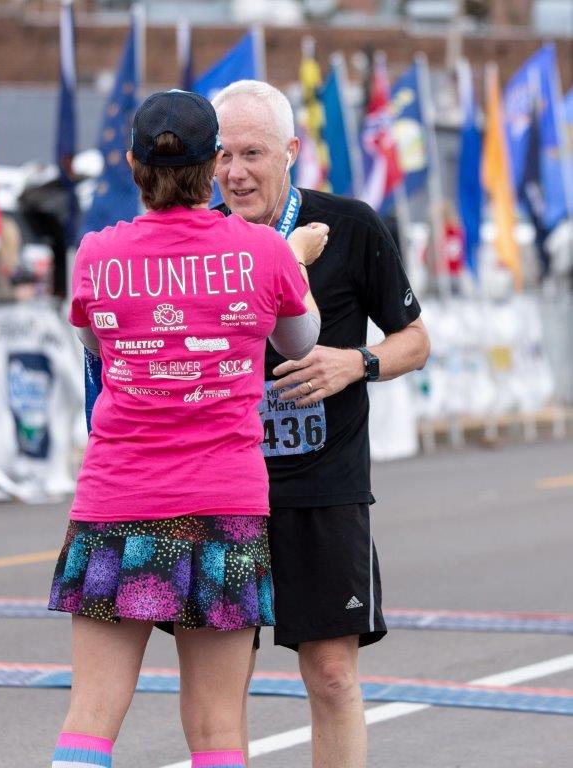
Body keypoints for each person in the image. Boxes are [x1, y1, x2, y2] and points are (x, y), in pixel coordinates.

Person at [48, 89, 327, 768]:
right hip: (223, 502)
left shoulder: (97, 254)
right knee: (216, 726)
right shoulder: (262, 251)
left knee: (91, 715)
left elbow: (94, 344)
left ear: (131, 163)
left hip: (118, 498)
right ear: (213, 165)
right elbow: (300, 342)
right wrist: (294, 261)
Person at [211, 80, 431, 768]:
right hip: (223, 485)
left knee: (332, 674)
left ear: (291, 152)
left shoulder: (351, 224)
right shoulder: (201, 237)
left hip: (324, 483)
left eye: (252, 153)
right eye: (221, 155)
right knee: (221, 686)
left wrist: (356, 362)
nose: (235, 172)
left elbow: (416, 341)